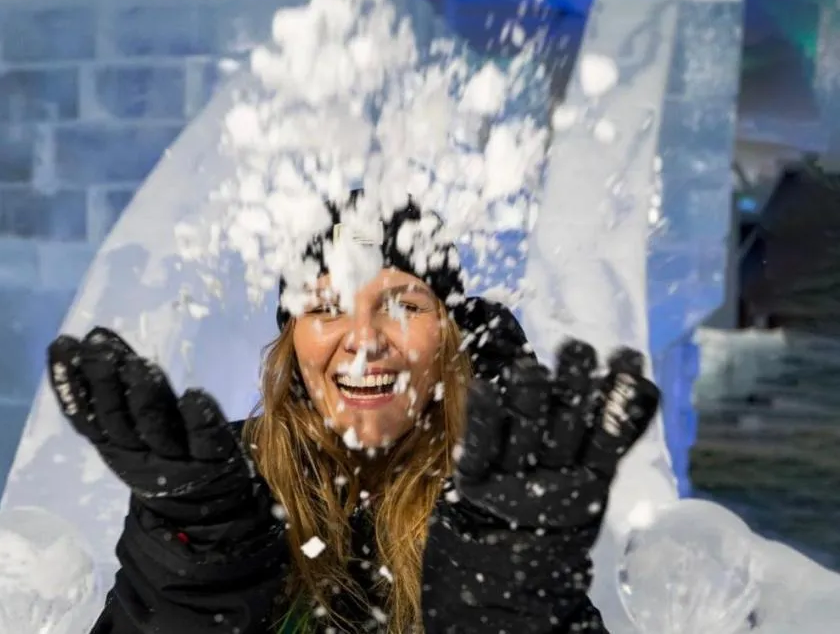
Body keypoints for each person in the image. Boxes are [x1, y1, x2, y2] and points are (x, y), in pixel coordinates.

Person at [47, 191, 660, 633]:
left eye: (403, 306)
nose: (365, 340)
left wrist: (510, 593)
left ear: (450, 335)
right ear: (292, 341)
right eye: (326, 308)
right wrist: (193, 556)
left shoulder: (506, 492)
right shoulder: (217, 482)